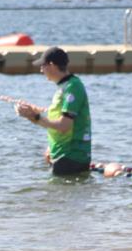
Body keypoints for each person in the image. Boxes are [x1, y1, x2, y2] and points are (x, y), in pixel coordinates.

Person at [14, 47, 92, 177]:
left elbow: (63, 126)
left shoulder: (73, 87)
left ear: (52, 65)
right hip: (62, 156)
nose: (41, 70)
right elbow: (55, 118)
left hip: (71, 157)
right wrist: (31, 114)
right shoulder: (64, 87)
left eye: (42, 66)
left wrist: (35, 116)